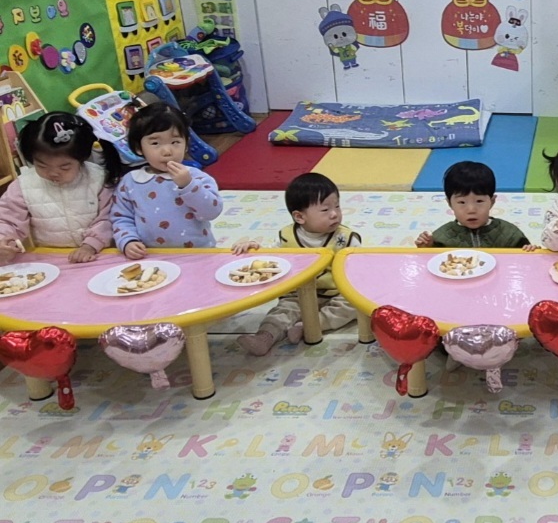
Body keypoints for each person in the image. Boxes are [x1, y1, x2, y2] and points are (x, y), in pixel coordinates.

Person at [234, 172, 360, 356]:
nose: (334, 214)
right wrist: (253, 249)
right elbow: (271, 260)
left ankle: (308, 326)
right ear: (300, 217)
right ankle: (264, 337)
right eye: (325, 210)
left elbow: (360, 265)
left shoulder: (345, 237)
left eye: (337, 206)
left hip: (334, 292)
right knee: (282, 312)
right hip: (297, 294)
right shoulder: (287, 236)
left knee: (352, 305)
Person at [0, 112, 113, 265]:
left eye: (64, 167)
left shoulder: (98, 179)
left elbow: (107, 218)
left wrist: (90, 245)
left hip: (99, 253)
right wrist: (4, 240)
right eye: (42, 166)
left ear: (81, 159)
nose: (53, 173)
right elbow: (7, 220)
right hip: (50, 259)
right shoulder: (24, 185)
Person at [111, 104, 222, 258]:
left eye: (175, 142)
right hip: (151, 256)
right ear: (138, 148)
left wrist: (188, 185)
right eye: (155, 143)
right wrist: (128, 241)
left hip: (198, 254)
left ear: (186, 144)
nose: (167, 151)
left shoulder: (196, 177)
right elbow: (121, 217)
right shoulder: (130, 182)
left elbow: (211, 212)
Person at [415, 161, 530, 249]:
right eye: (462, 202)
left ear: (492, 201)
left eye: (479, 201)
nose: (471, 210)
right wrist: (427, 247)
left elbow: (525, 256)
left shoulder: (508, 233)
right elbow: (434, 261)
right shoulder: (442, 236)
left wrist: (530, 250)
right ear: (449, 203)